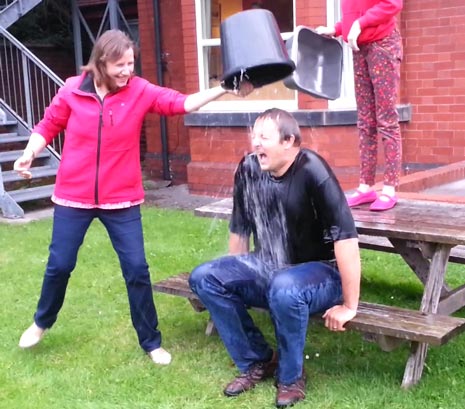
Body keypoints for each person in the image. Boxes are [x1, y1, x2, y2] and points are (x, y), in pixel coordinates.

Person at [14, 29, 252, 365]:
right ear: (101, 63)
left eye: (131, 63)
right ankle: (42, 322)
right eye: (121, 65)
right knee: (60, 265)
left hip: (121, 200)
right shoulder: (71, 90)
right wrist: (29, 153)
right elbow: (48, 125)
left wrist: (222, 89)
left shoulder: (139, 91)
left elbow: (179, 103)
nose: (128, 70)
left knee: (137, 270)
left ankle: (151, 342)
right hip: (73, 196)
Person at [189, 108, 361, 407]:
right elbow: (240, 226)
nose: (255, 143)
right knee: (205, 277)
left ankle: (290, 377)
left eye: (264, 137)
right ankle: (258, 360)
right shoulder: (249, 168)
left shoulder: (312, 171)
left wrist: (349, 305)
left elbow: (344, 237)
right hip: (269, 268)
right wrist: (236, 279)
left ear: (289, 142)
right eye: (254, 135)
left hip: (319, 274)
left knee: (285, 286)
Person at [316, 0, 403, 211]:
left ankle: (390, 189)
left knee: (386, 120)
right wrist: (337, 29)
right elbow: (355, 10)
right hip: (359, 48)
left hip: (383, 44)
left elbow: (393, 4)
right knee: (365, 121)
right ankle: (366, 188)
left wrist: (361, 24)